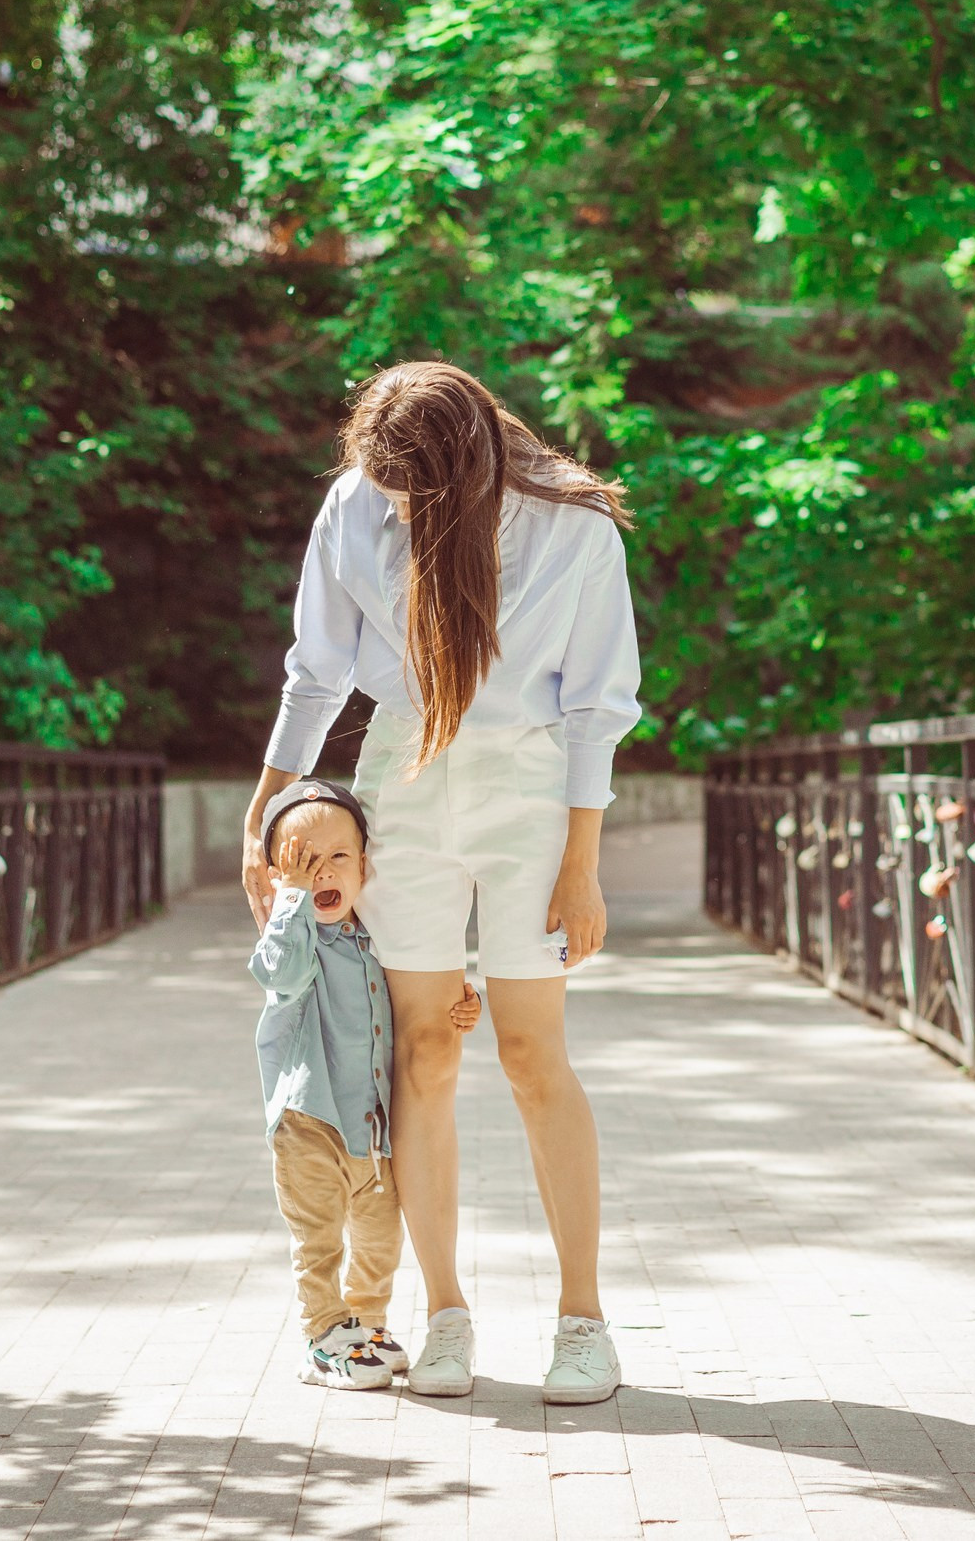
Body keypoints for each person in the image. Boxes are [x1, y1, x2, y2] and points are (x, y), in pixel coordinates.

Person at [241, 360, 641, 1405]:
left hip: (530, 786)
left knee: (529, 1053)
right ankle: (445, 1312)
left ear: (471, 460)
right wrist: (268, 801)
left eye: (419, 490)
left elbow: (598, 704)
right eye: (386, 487)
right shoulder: (357, 500)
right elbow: (317, 668)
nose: (400, 506)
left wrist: (582, 862)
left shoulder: (575, 524)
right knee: (417, 1051)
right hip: (404, 782)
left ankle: (583, 1321)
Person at [249, 775, 479, 1389]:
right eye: (304, 862)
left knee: (380, 1238)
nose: (323, 872)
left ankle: (367, 1324)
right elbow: (281, 974)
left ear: (364, 866)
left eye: (338, 858)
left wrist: (460, 1006)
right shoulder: (292, 938)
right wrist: (291, 901)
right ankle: (324, 1335)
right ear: (278, 874)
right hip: (310, 1122)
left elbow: (406, 1015)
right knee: (319, 1239)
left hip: (372, 1128)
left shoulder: (373, 942)